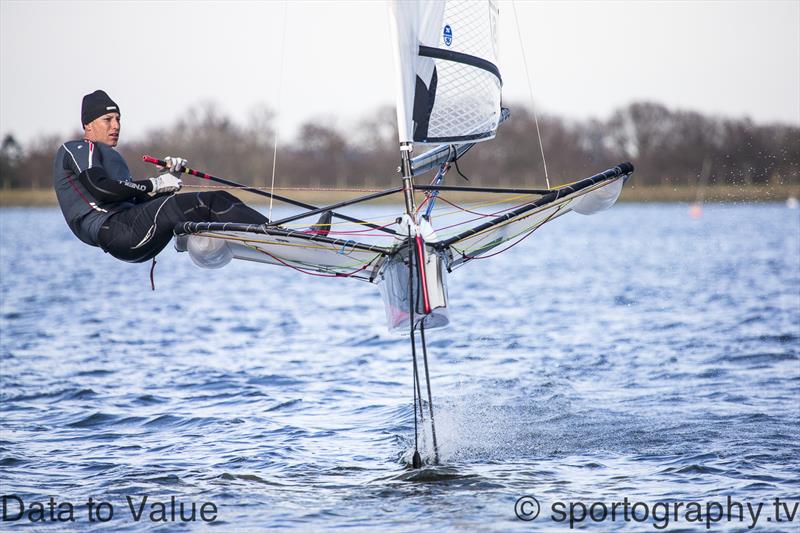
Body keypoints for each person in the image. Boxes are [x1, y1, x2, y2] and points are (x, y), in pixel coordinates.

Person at [53, 89, 269, 263]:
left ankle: (273, 235)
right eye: (108, 119)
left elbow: (138, 201)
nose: (116, 125)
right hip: (117, 231)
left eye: (118, 119)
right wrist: (156, 183)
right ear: (88, 124)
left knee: (210, 203)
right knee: (211, 201)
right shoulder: (78, 148)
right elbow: (100, 188)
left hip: (132, 232)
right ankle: (275, 235)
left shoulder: (111, 158)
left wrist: (167, 179)